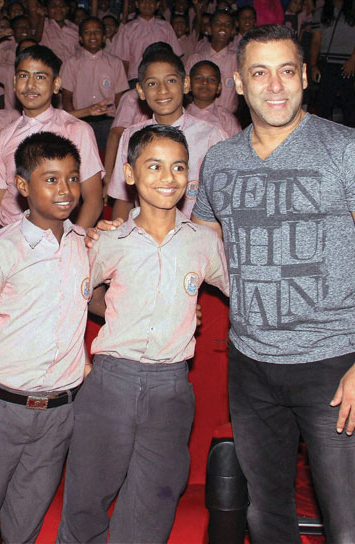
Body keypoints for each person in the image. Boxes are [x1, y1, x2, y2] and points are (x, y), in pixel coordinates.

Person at [190, 25, 355, 542]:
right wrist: (129, 230)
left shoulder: (349, 150)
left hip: (333, 367)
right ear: (238, 84)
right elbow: (198, 244)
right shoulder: (221, 161)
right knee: (266, 517)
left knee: (350, 527)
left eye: (287, 71)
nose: (275, 86)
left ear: (305, 76)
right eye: (260, 73)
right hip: (251, 366)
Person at [59, 123, 229, 543]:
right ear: (130, 174)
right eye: (154, 166)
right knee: (86, 499)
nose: (167, 178)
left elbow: (245, 292)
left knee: (153, 503)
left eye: (178, 168)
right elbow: (79, 297)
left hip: (171, 387)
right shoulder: (109, 240)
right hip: (110, 381)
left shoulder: (203, 243)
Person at [0, 132, 90, 544]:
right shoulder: (0, 251)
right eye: (51, 179)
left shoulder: (86, 245)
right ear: (23, 187)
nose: (65, 190)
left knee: (25, 526)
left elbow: (95, 302)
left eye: (73, 178)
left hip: (59, 413)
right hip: (0, 411)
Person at [0, 45, 104, 232]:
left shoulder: (76, 130)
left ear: (56, 85)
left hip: (56, 238)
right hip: (9, 238)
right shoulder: (4, 137)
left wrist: (71, 242)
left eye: (40, 77)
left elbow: (94, 200)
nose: (30, 85)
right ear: (15, 82)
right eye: (24, 76)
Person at [108, 44, 227, 220]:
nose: (162, 90)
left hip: (196, 237)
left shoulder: (211, 135)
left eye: (171, 81)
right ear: (141, 91)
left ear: (186, 84)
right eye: (152, 83)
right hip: (145, 237)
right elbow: (123, 199)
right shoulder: (131, 135)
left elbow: (223, 199)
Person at [60, 16, 130, 148]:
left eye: (97, 32)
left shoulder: (115, 63)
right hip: (81, 121)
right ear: (80, 38)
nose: (92, 35)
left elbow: (119, 99)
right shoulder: (71, 63)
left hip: (107, 121)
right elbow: (67, 98)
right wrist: (73, 122)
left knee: (105, 160)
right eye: (87, 32)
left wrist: (119, 125)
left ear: (104, 37)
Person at [309, 0, 355, 127]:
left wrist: (353, 59)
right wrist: (313, 65)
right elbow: (316, 41)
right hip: (328, 62)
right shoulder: (321, 12)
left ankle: (350, 143)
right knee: (323, 107)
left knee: (349, 108)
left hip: (349, 64)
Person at [110, 0, 183, 81]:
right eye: (143, 1)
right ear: (137, 4)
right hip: (136, 78)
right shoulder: (128, 28)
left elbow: (174, 56)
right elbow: (124, 61)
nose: (147, 4)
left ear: (157, 4)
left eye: (151, 1)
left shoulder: (165, 27)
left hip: (161, 76)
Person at [184, 10, 239, 112]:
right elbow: (185, 89)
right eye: (218, 23)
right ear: (209, 29)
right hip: (198, 116)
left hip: (227, 118)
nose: (222, 27)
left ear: (233, 31)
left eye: (227, 24)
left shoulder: (237, 59)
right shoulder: (196, 58)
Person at [187, 60, 242, 136]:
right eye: (199, 78)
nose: (205, 82)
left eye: (211, 79)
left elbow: (238, 144)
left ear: (219, 87)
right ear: (189, 85)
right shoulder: (182, 115)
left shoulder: (226, 118)